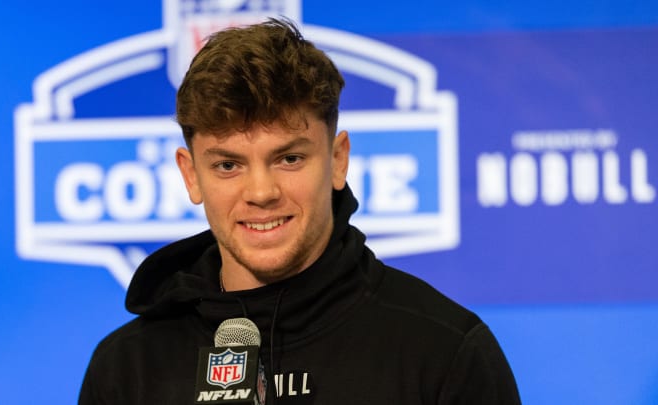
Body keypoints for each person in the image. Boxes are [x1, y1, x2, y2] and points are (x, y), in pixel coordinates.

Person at [78, 18, 521, 404]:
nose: (261, 192)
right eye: (228, 164)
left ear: (338, 159)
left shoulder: (444, 353)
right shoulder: (126, 370)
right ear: (191, 174)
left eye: (289, 159)